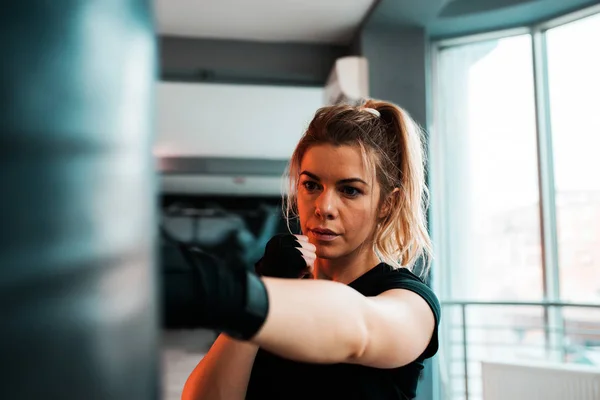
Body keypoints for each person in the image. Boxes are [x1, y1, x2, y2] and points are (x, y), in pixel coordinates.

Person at [180, 99, 440, 399]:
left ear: (387, 204)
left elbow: (358, 330)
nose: (324, 207)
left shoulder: (411, 302)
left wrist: (243, 294)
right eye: (312, 185)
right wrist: (264, 285)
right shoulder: (271, 290)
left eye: (350, 190)